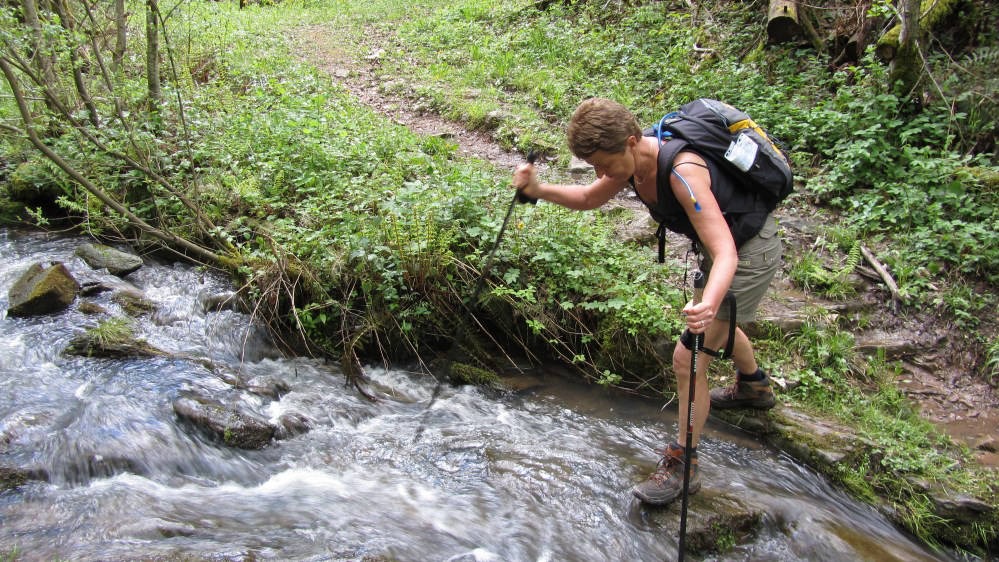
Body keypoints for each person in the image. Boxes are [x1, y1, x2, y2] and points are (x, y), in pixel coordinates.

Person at [511, 97, 782, 506]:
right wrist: (537, 190)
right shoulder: (633, 160)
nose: (602, 174)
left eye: (604, 164)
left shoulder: (683, 172)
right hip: (723, 245)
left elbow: (726, 251)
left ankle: (683, 465)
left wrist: (708, 301)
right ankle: (754, 386)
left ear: (633, 140)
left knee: (689, 356)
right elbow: (589, 198)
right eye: (596, 167)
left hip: (748, 250)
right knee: (713, 329)